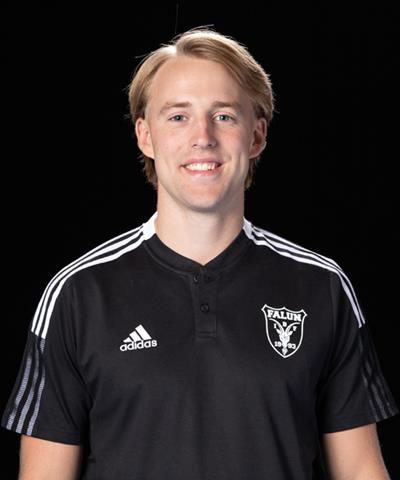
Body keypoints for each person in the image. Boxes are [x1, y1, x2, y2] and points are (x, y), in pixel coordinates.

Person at [2, 27, 398, 480]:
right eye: (178, 117)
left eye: (224, 116)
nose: (203, 137)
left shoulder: (322, 287)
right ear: (145, 136)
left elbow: (360, 470)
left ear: (256, 135)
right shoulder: (78, 294)